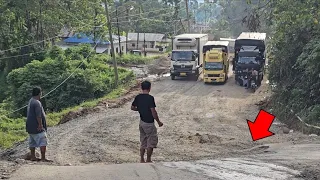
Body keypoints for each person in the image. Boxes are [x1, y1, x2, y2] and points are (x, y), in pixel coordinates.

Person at [131, 81, 163, 163]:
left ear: (141, 88)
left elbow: (132, 107)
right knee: (151, 142)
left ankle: (142, 159)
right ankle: (148, 159)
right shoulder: (150, 98)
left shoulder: (138, 97)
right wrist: (159, 122)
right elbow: (153, 112)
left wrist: (140, 109)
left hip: (141, 122)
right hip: (149, 123)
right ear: (149, 88)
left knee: (143, 141)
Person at [26, 87, 52, 162]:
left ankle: (33, 156)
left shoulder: (31, 101)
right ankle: (43, 158)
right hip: (37, 126)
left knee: (32, 142)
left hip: (30, 126)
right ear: (40, 93)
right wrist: (40, 125)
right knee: (43, 141)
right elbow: (38, 115)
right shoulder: (37, 102)